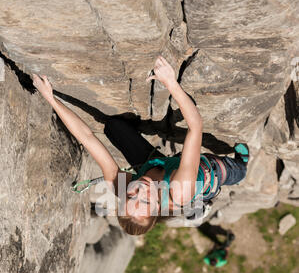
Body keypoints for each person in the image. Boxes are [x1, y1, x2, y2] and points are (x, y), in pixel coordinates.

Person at [33, 56, 249, 236]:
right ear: (156, 208)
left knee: (114, 127)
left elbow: (88, 138)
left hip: (159, 165)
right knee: (235, 171)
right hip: (208, 172)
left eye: (131, 196)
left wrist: (51, 99)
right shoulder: (180, 189)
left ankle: (189, 198)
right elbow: (195, 127)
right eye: (145, 200)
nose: (140, 190)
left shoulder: (122, 186)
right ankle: (237, 170)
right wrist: (171, 83)